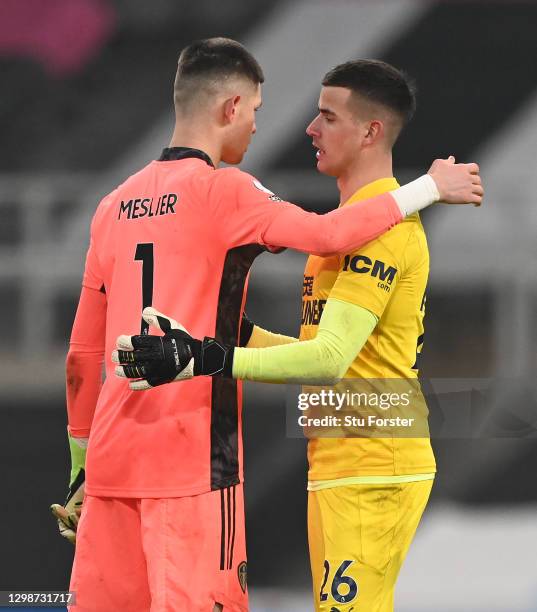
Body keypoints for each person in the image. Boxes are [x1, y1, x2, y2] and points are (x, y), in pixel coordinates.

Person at [54, 36, 482, 612]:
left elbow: (83, 353)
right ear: (232, 109)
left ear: (369, 132)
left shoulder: (111, 205)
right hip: (199, 458)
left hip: (121, 460)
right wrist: (428, 188)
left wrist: (81, 464)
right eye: (256, 111)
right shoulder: (229, 191)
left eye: (325, 116)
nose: (283, 127)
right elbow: (328, 246)